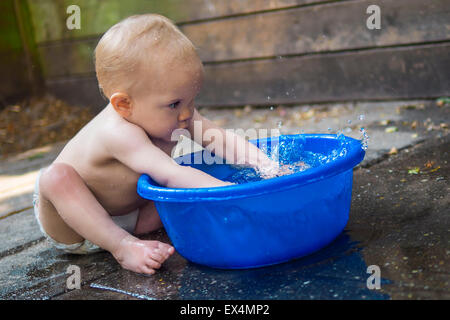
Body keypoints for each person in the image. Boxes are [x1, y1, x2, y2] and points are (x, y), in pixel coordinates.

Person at [33, 14, 276, 275]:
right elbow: (172, 175)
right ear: (123, 105)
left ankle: (130, 236)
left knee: (193, 179)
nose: (187, 114)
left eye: (191, 101)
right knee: (56, 177)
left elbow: (221, 141)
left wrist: (268, 167)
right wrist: (231, 194)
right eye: (175, 104)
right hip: (72, 222)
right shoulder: (117, 132)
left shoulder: (174, 111)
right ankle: (122, 246)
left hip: (134, 216)